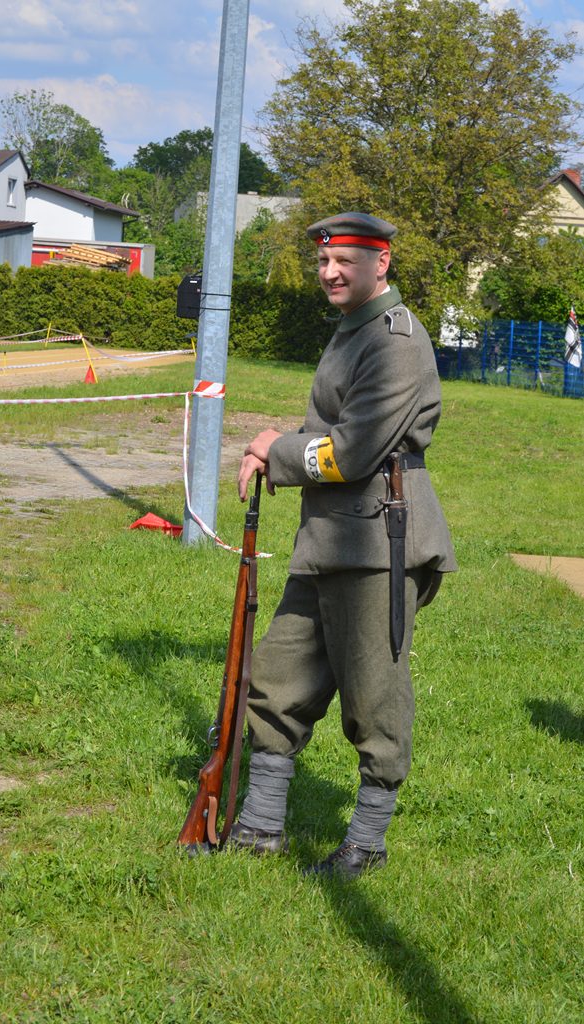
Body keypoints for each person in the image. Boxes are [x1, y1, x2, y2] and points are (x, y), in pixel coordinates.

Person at [230, 211, 457, 878]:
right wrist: (277, 452)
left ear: (380, 263)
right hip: (328, 537)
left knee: (373, 697)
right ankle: (260, 825)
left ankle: (366, 844)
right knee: (277, 679)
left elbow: (353, 451)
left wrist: (276, 449)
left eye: (344, 262)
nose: (329, 272)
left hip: (378, 541)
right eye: (323, 262)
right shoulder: (353, 328)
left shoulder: (395, 340)